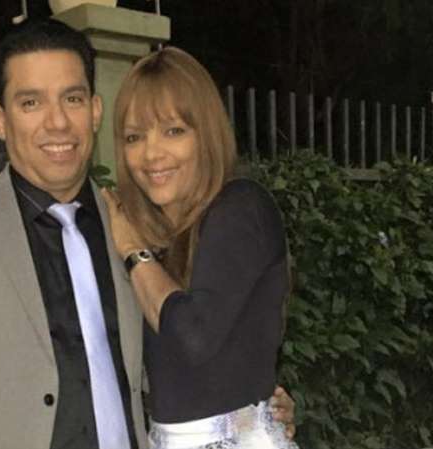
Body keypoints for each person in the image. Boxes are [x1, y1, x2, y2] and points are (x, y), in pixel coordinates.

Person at [0, 19, 294, 449]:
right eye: (31, 103)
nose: (57, 122)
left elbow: (186, 351)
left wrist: (253, 413)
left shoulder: (137, 228)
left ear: (95, 111)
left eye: (72, 99)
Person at [97, 47, 297, 449]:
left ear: (205, 134)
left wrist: (133, 250)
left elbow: (194, 335)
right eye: (135, 137)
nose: (152, 154)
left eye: (173, 131)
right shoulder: (151, 237)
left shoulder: (241, 207)